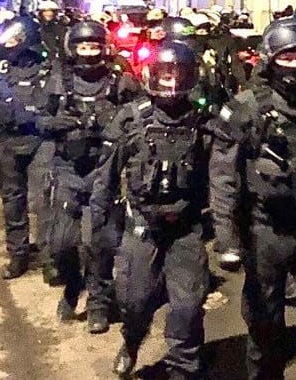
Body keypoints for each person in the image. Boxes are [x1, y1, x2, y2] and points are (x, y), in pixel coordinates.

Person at [212, 20, 296, 380]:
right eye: (286, 58)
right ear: (270, 59)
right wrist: (227, 239)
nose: (294, 66)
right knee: (264, 325)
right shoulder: (245, 108)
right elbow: (224, 177)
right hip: (264, 233)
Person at [92, 40, 215, 379]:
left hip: (186, 228)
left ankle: (183, 367)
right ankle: (132, 340)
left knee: (188, 307)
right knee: (134, 301)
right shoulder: (131, 118)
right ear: (151, 75)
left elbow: (224, 175)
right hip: (142, 224)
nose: (172, 82)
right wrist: (99, 225)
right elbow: (105, 175)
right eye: (165, 74)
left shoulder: (204, 121)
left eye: (179, 74)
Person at [40, 20, 132, 329]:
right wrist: (64, 124)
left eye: (94, 47)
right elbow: (40, 120)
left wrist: (112, 129)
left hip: (103, 171)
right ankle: (72, 285)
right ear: (72, 48)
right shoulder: (60, 81)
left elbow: (138, 119)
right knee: (61, 244)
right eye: (83, 47)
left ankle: (98, 304)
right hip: (67, 169)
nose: (89, 53)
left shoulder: (119, 82)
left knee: (98, 243)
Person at [0, 15, 62, 279]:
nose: (8, 44)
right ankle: (18, 256)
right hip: (5, 143)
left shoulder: (49, 69)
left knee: (44, 202)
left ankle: (50, 260)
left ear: (26, 41)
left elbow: (60, 107)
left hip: (40, 141)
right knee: (13, 202)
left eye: (14, 39)